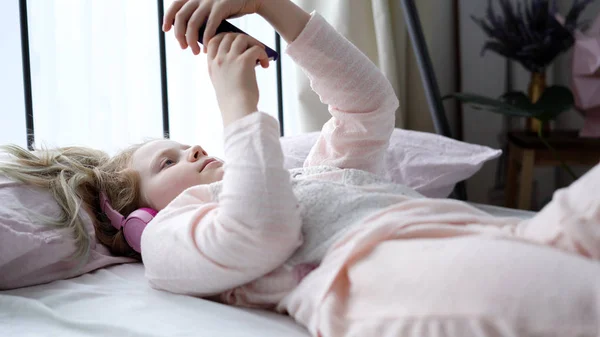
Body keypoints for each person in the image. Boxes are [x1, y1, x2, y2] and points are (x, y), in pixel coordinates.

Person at [1, 0, 599, 336]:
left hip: (477, 233)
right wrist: (239, 108)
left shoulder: (315, 175)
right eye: (169, 160)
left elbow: (367, 107)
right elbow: (258, 232)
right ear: (137, 215)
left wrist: (277, 10)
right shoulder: (166, 238)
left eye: (186, 142)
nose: (193, 151)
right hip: (389, 277)